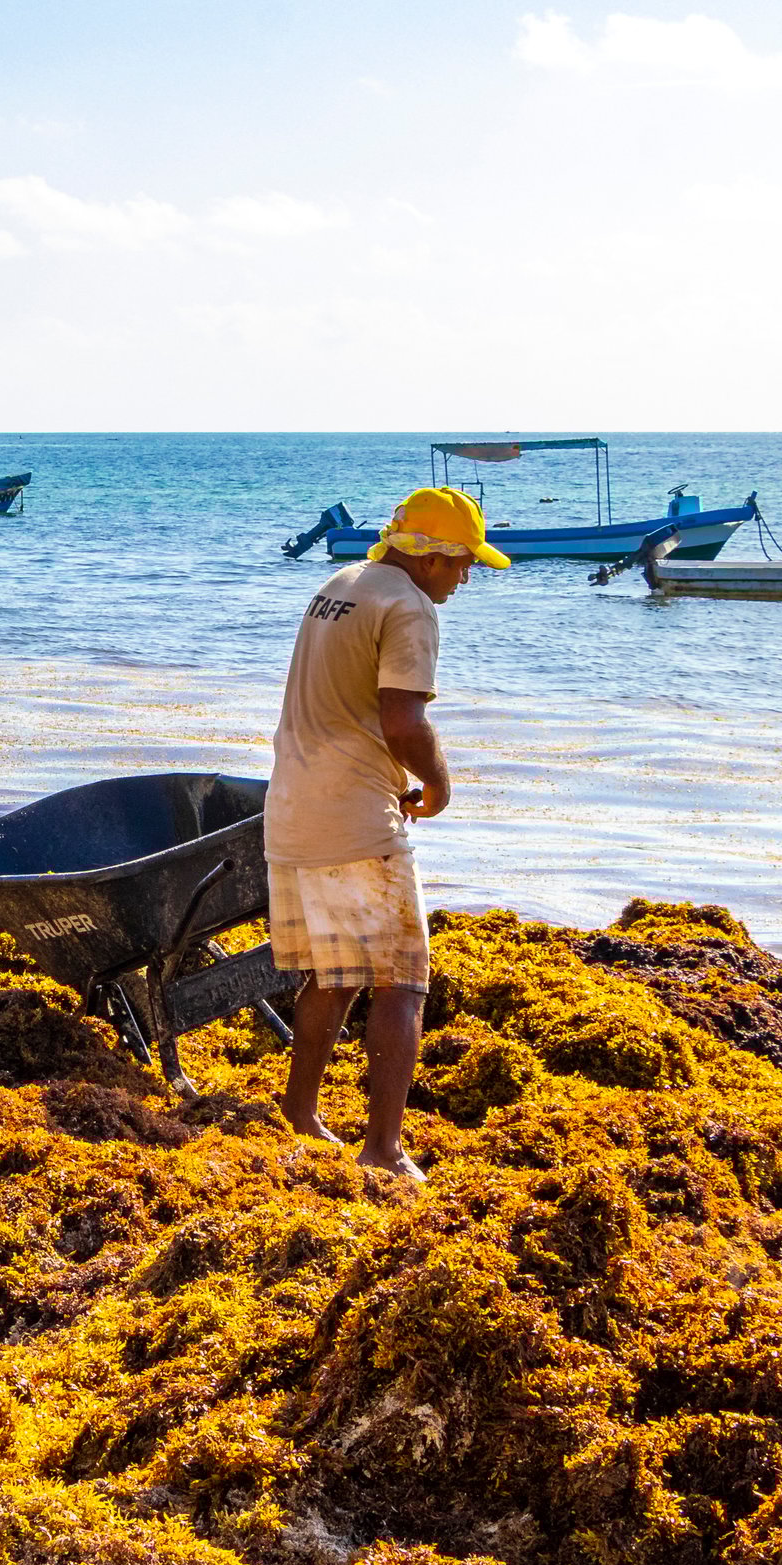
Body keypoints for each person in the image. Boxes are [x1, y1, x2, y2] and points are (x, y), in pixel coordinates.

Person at [263, 486, 508, 1181]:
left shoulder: (339, 584)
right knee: (402, 981)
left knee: (336, 975)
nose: (466, 577)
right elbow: (403, 723)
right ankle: (384, 1148)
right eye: (464, 564)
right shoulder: (410, 606)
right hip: (356, 819)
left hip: (291, 808)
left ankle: (301, 1113)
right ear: (432, 557)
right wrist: (439, 784)